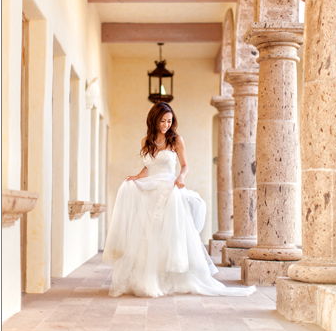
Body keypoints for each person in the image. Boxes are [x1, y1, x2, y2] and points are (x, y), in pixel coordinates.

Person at [102, 102, 256, 298]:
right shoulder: (146, 141)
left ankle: (171, 278)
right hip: (151, 191)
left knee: (168, 232)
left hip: (169, 190)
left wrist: (181, 177)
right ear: (154, 120)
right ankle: (149, 277)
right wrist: (136, 177)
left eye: (169, 121)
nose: (166, 124)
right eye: (163, 121)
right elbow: (148, 167)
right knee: (148, 233)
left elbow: (184, 166)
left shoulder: (176, 140)